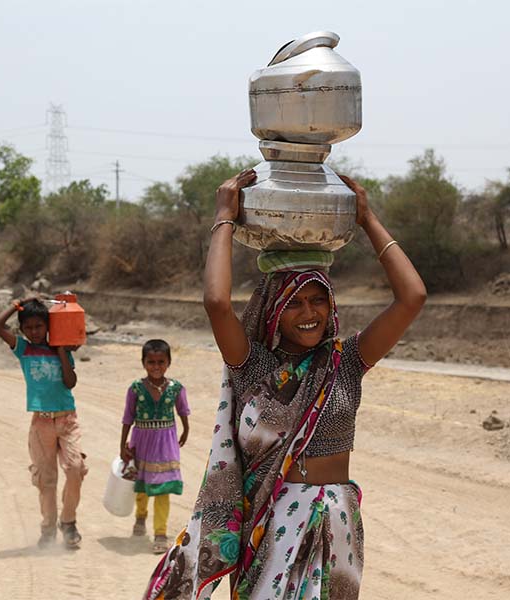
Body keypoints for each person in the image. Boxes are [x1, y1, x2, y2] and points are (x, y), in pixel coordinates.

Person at [143, 170, 426, 599]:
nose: (307, 311)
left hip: (335, 523)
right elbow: (217, 304)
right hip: (271, 521)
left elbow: (413, 298)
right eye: (293, 302)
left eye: (317, 299)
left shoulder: (345, 362)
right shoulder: (254, 367)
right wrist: (224, 217)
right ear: (273, 311)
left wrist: (367, 220)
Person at [0, 298, 87, 549]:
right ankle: (48, 529)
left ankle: (68, 522)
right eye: (29, 327)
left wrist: (60, 350)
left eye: (39, 326)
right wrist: (16, 305)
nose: (34, 332)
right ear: (23, 330)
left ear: (48, 326)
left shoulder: (63, 349)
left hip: (67, 419)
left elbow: (70, 382)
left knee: (75, 468)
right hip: (41, 422)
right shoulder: (23, 349)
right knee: (46, 479)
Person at [120, 339, 190, 555]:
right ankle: (140, 517)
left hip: (166, 443)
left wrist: (186, 430)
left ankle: (160, 533)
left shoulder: (176, 388)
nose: (156, 366)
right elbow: (128, 417)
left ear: (168, 362)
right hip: (141, 441)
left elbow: (183, 411)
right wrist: (122, 444)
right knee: (141, 485)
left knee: (163, 487)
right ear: (143, 363)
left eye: (161, 361)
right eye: (151, 362)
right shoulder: (135, 389)